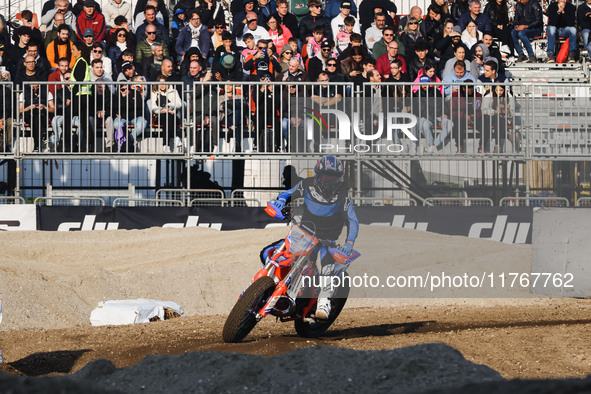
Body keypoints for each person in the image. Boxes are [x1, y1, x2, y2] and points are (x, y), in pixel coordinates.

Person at [265, 155, 359, 320]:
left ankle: (324, 302)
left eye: (333, 176)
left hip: (326, 241)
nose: (328, 179)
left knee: (328, 268)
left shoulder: (343, 196)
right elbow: (289, 193)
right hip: (304, 233)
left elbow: (353, 221)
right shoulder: (307, 185)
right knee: (267, 252)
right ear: (318, 174)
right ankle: (268, 284)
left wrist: (349, 242)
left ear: (339, 178)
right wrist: (280, 201)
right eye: (325, 175)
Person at [150, 75, 184, 151]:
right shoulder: (154, 92)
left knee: (169, 116)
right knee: (168, 116)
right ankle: (177, 136)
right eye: (160, 83)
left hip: (172, 114)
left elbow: (179, 103)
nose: (162, 85)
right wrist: (162, 110)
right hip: (159, 115)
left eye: (164, 83)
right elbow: (153, 107)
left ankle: (166, 145)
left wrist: (168, 107)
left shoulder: (174, 91)